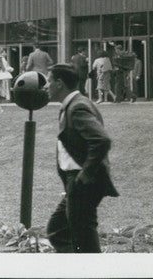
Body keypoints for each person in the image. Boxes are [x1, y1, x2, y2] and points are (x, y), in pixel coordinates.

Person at [45, 63, 119, 252]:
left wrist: (85, 174)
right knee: (57, 230)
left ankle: (88, 270)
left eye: (49, 81)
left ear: (59, 83)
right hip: (77, 181)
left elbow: (101, 140)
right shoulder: (73, 104)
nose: (46, 86)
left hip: (82, 182)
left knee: (84, 239)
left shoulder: (77, 107)